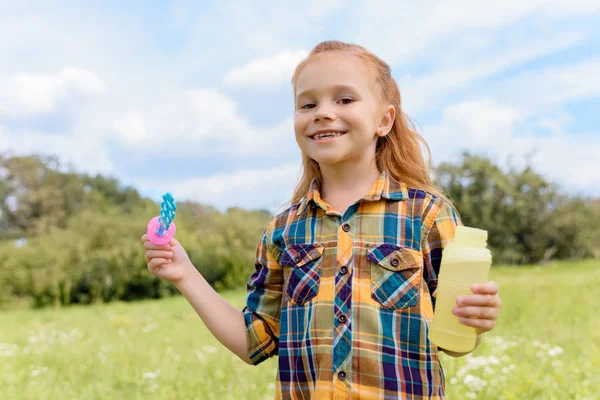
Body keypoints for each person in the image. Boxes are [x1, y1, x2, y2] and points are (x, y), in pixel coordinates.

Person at [142, 40, 501, 399]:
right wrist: (184, 274)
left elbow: (455, 341)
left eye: (344, 99)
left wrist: (474, 323)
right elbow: (254, 340)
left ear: (383, 120)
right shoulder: (283, 230)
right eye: (307, 104)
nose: (322, 112)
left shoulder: (427, 215)